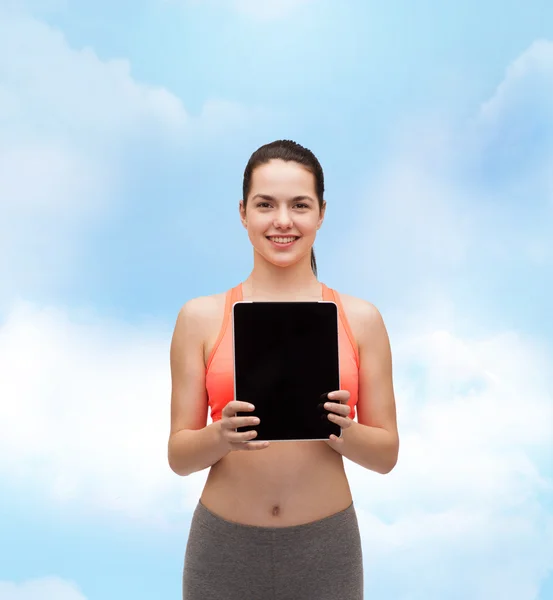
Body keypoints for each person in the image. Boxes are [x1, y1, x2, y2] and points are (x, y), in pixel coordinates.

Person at [168, 140, 399, 599]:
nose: (282, 220)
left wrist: (342, 429)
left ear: (321, 213)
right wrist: (221, 436)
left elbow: (386, 454)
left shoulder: (362, 319)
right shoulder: (200, 318)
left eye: (300, 205)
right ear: (243, 212)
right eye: (265, 204)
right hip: (223, 547)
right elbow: (179, 456)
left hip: (325, 547)